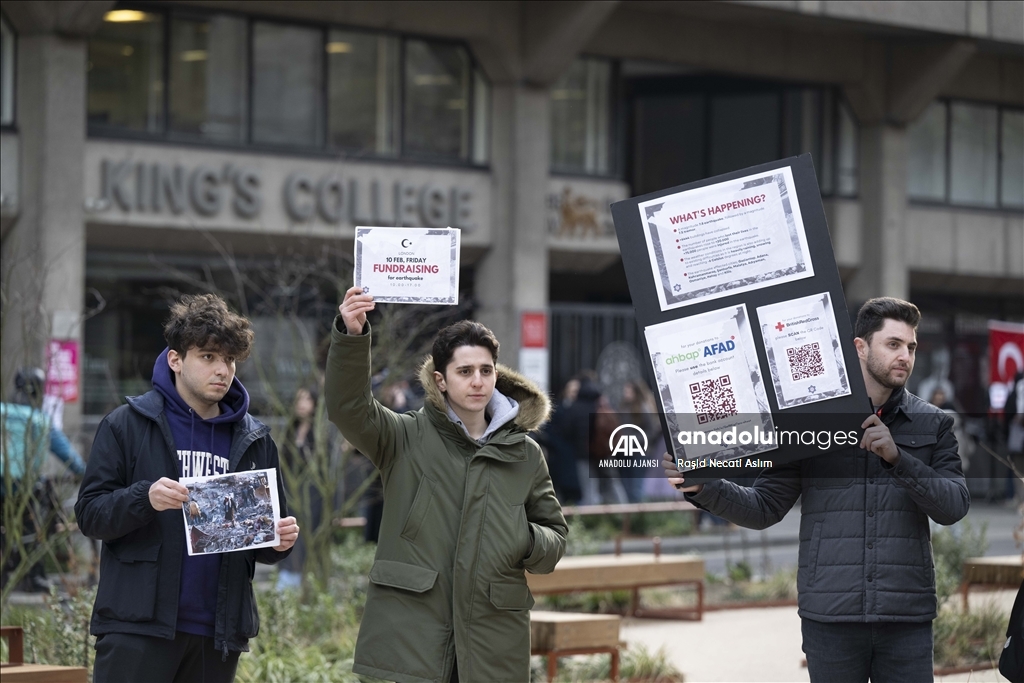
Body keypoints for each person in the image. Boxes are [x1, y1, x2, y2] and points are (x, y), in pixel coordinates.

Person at [664, 296, 969, 682]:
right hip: (830, 615)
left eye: (910, 346)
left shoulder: (934, 423)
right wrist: (704, 486)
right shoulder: (809, 419)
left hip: (905, 617)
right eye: (893, 344)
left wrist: (899, 460)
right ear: (860, 347)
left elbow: (954, 505)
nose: (904, 356)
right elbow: (764, 508)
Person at [326, 287, 566, 683]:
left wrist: (521, 538)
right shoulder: (403, 437)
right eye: (465, 371)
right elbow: (347, 407)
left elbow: (554, 539)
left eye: (486, 370)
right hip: (411, 637)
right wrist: (352, 337)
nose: (478, 382)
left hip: (493, 642)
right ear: (441, 379)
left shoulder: (525, 454)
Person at [75, 293, 300, 683]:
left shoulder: (255, 439)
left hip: (219, 633)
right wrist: (143, 497)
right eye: (208, 357)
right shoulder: (126, 424)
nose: (222, 370)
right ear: (176, 360)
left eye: (229, 359)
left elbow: (265, 541)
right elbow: (90, 515)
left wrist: (280, 541)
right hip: (138, 627)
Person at [1, 367, 87, 592]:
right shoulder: (39, 420)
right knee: (31, 531)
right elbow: (68, 457)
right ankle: (33, 577)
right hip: (23, 485)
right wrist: (84, 472)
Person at [277, 387, 324, 589]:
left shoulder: (321, 434)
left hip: (313, 498)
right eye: (298, 399)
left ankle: (304, 583)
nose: (301, 403)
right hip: (290, 495)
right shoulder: (289, 431)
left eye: (306, 399)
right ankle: (287, 583)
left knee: (306, 541)